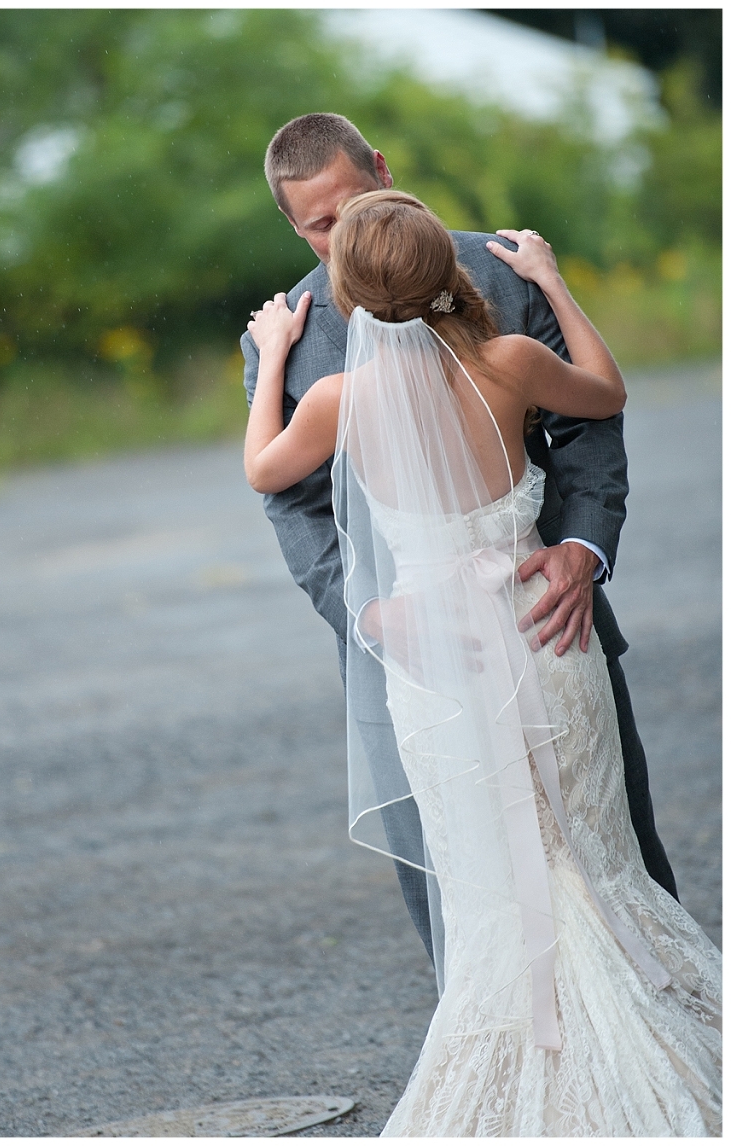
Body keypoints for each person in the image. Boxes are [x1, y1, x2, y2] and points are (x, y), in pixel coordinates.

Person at [243, 189, 721, 1135]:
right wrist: (550, 279)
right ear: (451, 269)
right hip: (545, 633)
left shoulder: (340, 397)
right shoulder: (510, 360)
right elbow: (608, 391)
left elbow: (265, 470)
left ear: (344, 293)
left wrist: (270, 361)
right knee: (593, 856)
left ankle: (518, 1076)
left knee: (492, 881)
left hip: (440, 668)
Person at [240, 114, 678, 968]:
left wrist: (583, 547)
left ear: (384, 168)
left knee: (612, 856)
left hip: (552, 617)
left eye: (354, 205)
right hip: (412, 659)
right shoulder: (289, 336)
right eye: (318, 226)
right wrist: (369, 614)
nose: (342, 238)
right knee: (464, 888)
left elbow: (590, 430)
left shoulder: (499, 270)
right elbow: (292, 506)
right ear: (291, 228)